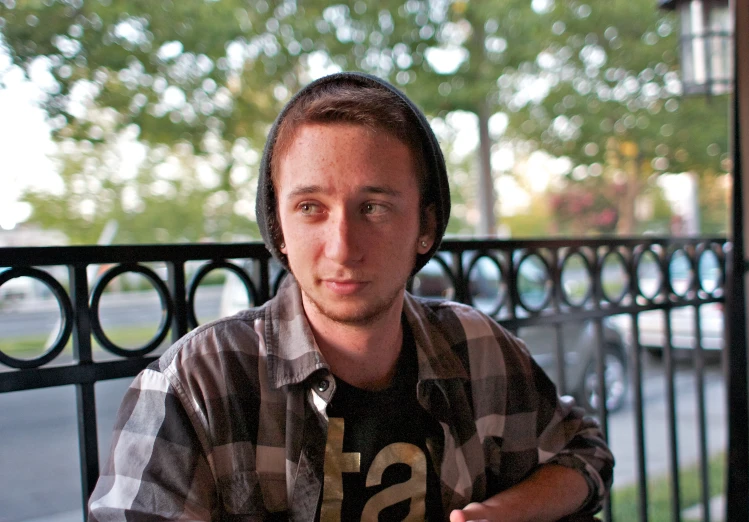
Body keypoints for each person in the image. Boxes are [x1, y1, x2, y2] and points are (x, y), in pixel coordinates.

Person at [88, 72, 613, 521]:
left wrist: (503, 512)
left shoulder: (476, 348)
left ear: (426, 226)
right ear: (279, 229)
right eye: (311, 208)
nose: (342, 248)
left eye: (375, 207)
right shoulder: (196, 385)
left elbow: (584, 454)